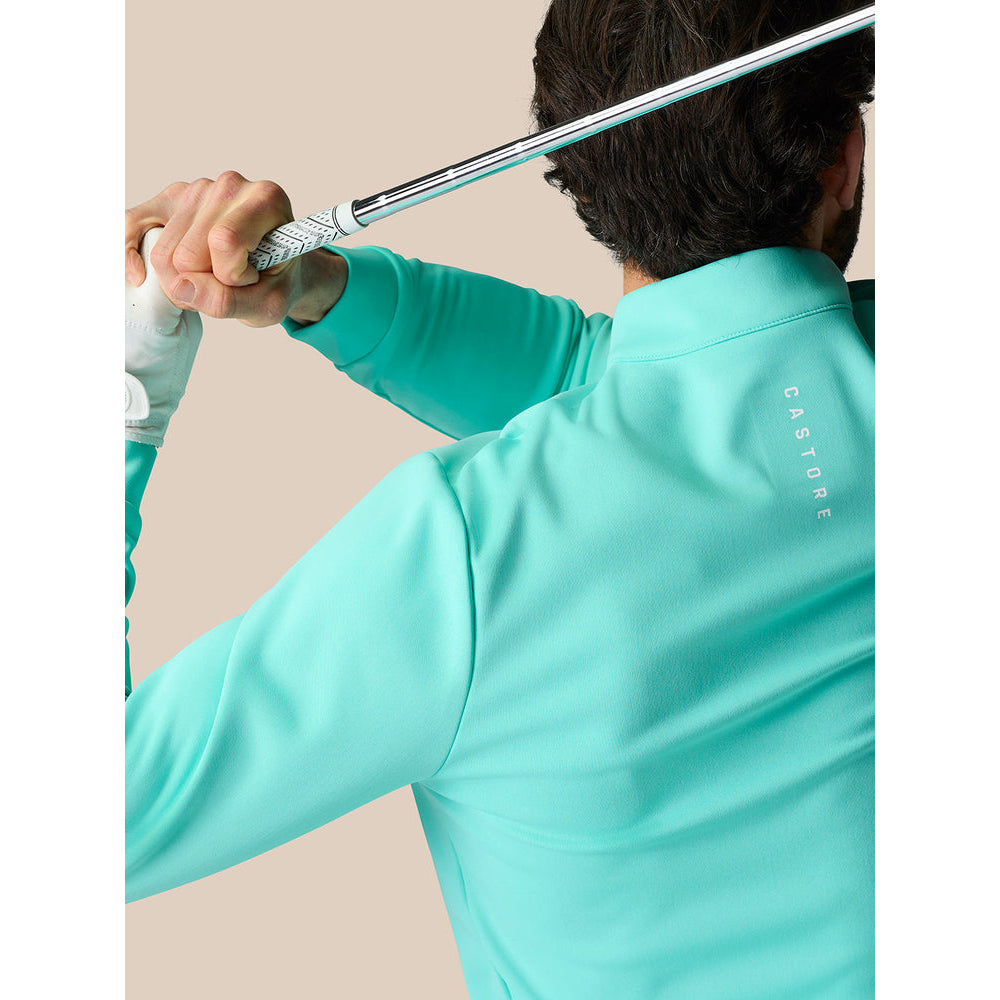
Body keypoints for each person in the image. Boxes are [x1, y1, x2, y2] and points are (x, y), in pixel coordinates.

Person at [125, 0, 875, 995]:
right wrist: (323, 289)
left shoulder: (461, 555)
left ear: (575, 177)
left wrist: (125, 393)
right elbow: (642, 379)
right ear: (844, 159)